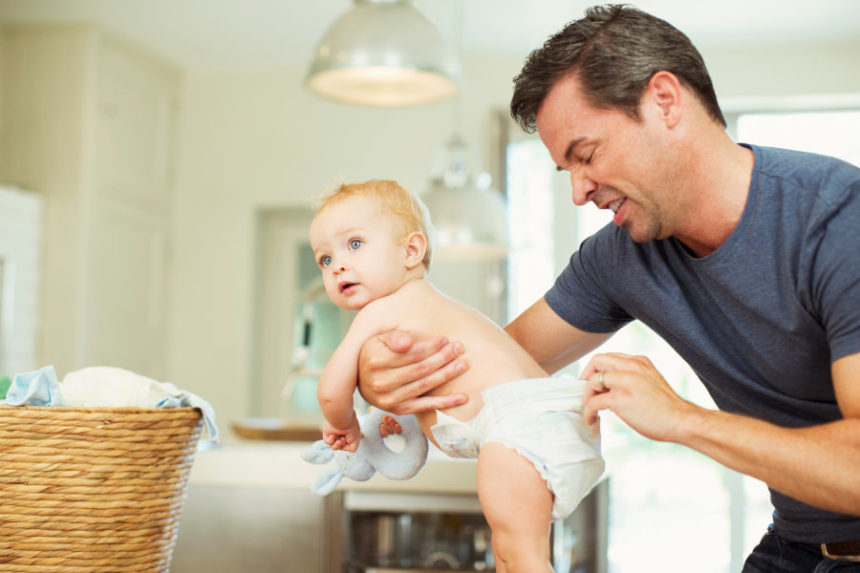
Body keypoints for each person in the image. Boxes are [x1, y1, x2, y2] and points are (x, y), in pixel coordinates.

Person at [355, 4, 860, 571]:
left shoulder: (837, 220)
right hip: (796, 544)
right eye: (564, 171)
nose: (579, 192)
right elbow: (488, 366)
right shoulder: (622, 255)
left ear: (664, 101)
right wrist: (383, 380)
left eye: (587, 155)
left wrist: (682, 418)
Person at [308, 180, 604, 572]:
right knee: (511, 552)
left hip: (522, 421)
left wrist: (344, 426)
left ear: (411, 251)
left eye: (355, 244)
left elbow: (330, 391)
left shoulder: (380, 312)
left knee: (522, 557)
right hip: (542, 417)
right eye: (325, 259)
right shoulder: (429, 305)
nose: (338, 265)